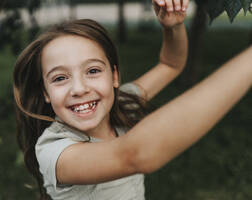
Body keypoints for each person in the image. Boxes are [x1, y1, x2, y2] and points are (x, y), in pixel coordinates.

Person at [13, 0, 252, 199]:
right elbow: (134, 155)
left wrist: (173, 27)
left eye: (93, 71)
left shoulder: (123, 102)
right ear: (45, 92)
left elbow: (171, 64)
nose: (79, 88)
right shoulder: (54, 151)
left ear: (114, 76)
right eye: (60, 78)